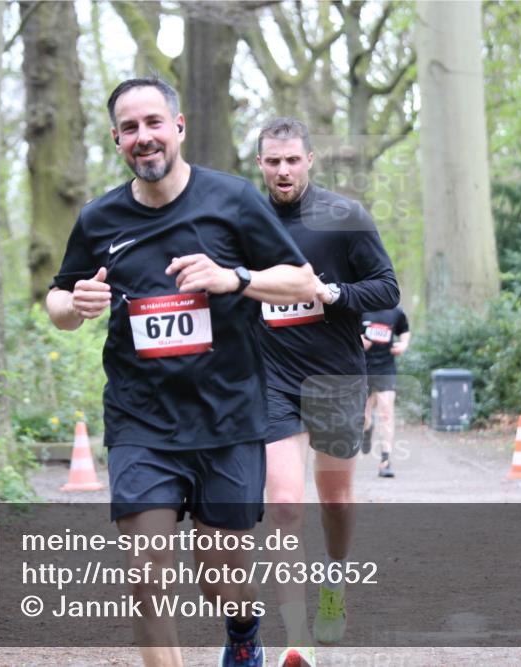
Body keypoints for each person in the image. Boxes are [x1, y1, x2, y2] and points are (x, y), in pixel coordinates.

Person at [47, 78, 315, 667]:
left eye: (153, 123)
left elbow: (304, 283)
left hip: (228, 419)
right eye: (130, 128)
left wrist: (234, 278)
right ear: (117, 139)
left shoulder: (234, 200)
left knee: (221, 580)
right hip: (142, 422)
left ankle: (243, 629)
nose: (144, 138)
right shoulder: (99, 220)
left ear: (178, 126)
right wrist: (76, 306)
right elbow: (58, 301)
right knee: (146, 576)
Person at [255, 118, 399, 666]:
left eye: (292, 160)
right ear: (261, 164)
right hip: (272, 379)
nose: (283, 170)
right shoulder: (246, 220)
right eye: (273, 161)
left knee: (334, 500)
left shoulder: (345, 217)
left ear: (311, 160)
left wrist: (331, 292)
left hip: (336, 376)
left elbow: (386, 287)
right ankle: (296, 637)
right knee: (285, 503)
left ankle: (334, 584)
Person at [361, 307, 411, 477]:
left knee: (386, 413)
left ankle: (385, 461)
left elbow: (404, 330)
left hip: (385, 368)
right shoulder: (360, 308)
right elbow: (347, 332)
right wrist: (358, 340)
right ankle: (367, 429)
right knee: (364, 416)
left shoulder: (395, 312)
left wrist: (403, 345)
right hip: (362, 368)